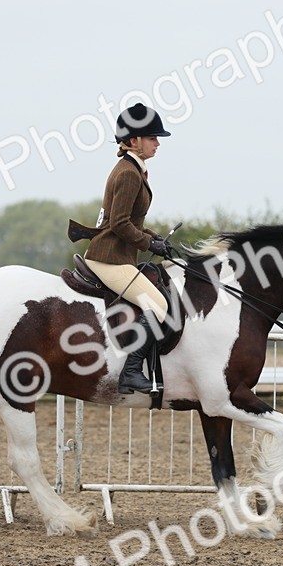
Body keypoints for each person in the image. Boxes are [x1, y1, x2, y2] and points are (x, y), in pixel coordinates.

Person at [84, 102, 173, 394]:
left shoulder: (134, 169)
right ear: (134, 141)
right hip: (108, 258)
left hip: (118, 254)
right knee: (158, 305)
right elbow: (120, 224)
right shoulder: (127, 174)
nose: (157, 143)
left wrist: (155, 238)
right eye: (152, 138)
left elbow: (129, 221)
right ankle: (132, 372)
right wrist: (148, 243)